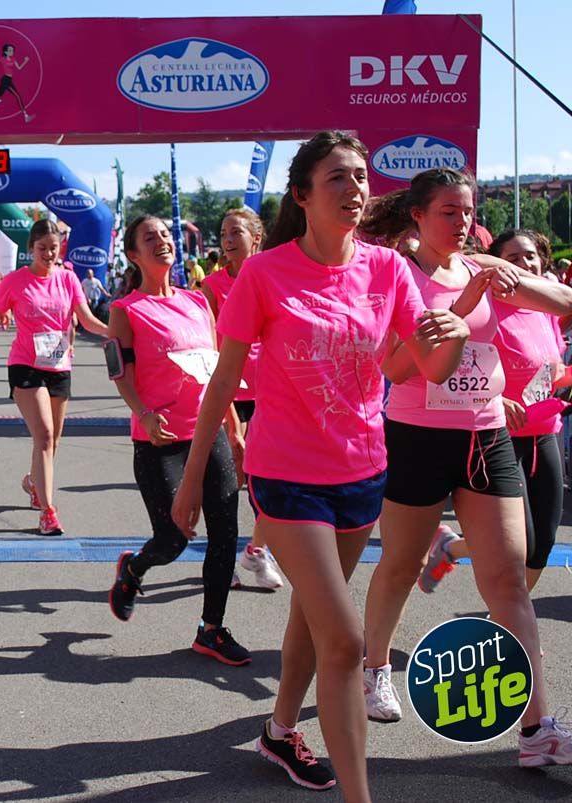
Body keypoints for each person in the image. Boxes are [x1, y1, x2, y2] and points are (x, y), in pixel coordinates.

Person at [171, 132, 470, 799]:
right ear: (303, 194)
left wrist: (448, 337)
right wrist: (193, 476)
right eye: (338, 177)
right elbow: (222, 382)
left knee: (312, 615)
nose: (356, 188)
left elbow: (429, 368)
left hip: (362, 474)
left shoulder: (387, 270)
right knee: (345, 638)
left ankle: (279, 730)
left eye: (361, 176)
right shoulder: (266, 272)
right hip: (287, 474)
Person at [358, 170, 572, 766]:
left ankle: (538, 731)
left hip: (487, 437)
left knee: (507, 581)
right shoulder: (397, 273)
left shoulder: (483, 266)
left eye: (469, 212)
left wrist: (520, 279)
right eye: (449, 212)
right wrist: (469, 301)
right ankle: (375, 668)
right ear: (419, 217)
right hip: (417, 436)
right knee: (399, 566)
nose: (462, 223)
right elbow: (399, 368)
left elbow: (560, 303)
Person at [105, 214, 250, 666]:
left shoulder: (197, 302)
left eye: (166, 236)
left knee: (226, 533)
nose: (162, 242)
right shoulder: (126, 310)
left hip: (209, 434)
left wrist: (233, 425)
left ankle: (212, 629)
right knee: (173, 538)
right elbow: (119, 373)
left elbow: (216, 369)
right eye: (150, 238)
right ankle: (133, 568)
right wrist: (144, 415)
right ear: (134, 254)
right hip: (159, 440)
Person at [417, 229, 571, 596]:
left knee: (543, 545)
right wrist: (495, 399)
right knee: (521, 543)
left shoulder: (545, 308)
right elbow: (455, 365)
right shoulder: (481, 304)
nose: (523, 265)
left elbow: (549, 367)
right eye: (513, 259)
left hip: (544, 431)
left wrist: (564, 379)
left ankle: (501, 614)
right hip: (496, 433)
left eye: (530, 256)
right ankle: (504, 618)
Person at [0, 218, 109, 535]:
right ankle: (48, 513)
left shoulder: (68, 280)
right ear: (30, 249)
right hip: (25, 365)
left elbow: (87, 320)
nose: (49, 254)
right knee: (44, 435)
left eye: (54, 248)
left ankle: (32, 482)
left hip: (59, 365)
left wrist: (116, 332)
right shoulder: (15, 281)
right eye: (42, 249)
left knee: (53, 442)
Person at [201, 208, 283, 590]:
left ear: (256, 237)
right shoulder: (212, 286)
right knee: (233, 478)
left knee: (270, 478)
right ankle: (226, 553)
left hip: (271, 389)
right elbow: (208, 344)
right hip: (229, 391)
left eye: (236, 232)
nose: (228, 239)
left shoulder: (273, 274)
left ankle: (255, 550)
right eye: (223, 232)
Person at [0, 43, 34, 122]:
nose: (12, 52)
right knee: (17, 96)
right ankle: (26, 116)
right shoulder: (2, 59)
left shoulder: (13, 59)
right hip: (5, 80)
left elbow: (19, 68)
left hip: (9, 80)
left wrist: (25, 61)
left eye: (12, 50)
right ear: (5, 52)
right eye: (10, 50)